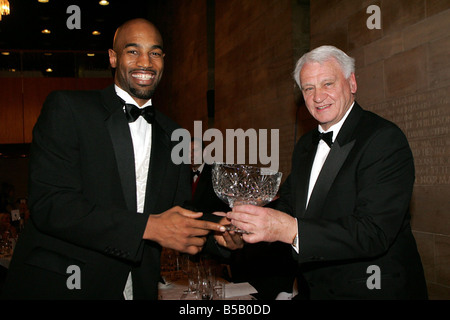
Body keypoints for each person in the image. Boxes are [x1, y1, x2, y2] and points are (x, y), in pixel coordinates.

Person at [2, 18, 238, 300]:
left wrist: (218, 232)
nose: (145, 62)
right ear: (113, 58)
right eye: (133, 51)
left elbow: (178, 210)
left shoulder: (174, 133)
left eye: (155, 52)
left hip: (137, 287)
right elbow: (52, 204)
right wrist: (149, 227)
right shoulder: (68, 108)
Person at [227, 45, 428, 299]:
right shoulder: (305, 146)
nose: (318, 96)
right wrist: (244, 224)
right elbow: (288, 206)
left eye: (328, 84)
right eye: (308, 88)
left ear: (352, 82)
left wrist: (291, 230)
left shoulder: (383, 139)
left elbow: (373, 232)